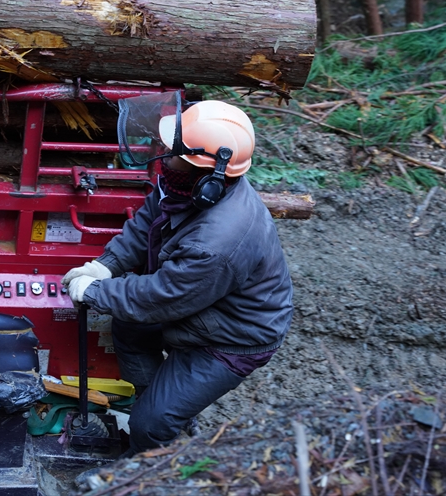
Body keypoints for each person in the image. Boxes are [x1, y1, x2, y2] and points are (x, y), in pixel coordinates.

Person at [62, 98, 293, 455]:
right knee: (129, 327)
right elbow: (146, 223)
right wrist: (105, 266)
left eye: (172, 152)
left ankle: (150, 460)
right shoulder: (188, 186)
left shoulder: (217, 243)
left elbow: (160, 298)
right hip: (199, 307)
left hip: (231, 338)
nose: (163, 156)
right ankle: (160, 403)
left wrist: (96, 292)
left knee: (150, 427)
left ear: (205, 174)